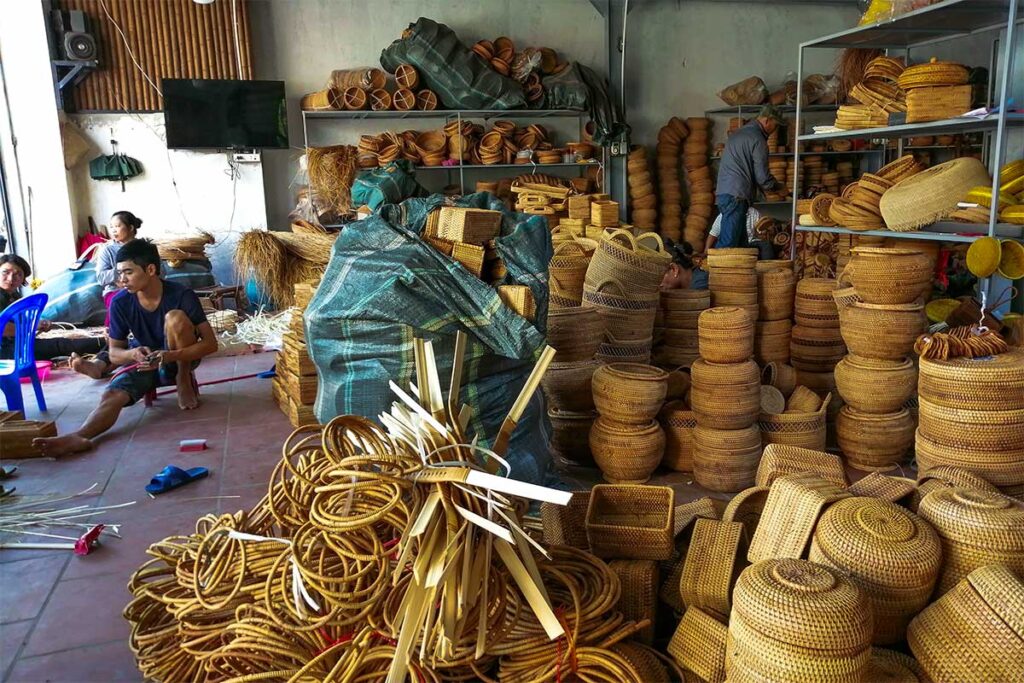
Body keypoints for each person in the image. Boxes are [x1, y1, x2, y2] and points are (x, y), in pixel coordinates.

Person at [33, 239, 217, 456]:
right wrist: (133, 354)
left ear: (150, 269)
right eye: (119, 273)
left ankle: (182, 379)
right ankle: (80, 436)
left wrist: (169, 356)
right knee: (112, 395)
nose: (121, 279)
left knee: (174, 318)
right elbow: (114, 353)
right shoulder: (120, 302)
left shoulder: (181, 295)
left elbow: (210, 343)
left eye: (128, 272)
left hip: (179, 357)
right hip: (145, 362)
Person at [71, 210, 143, 379]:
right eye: (112, 227)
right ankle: (100, 364)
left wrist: (137, 281)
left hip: (143, 292)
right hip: (117, 292)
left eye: (118, 226)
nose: (114, 230)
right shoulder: (108, 250)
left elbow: (158, 273)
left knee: (139, 328)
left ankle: (99, 365)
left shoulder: (144, 248)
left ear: (131, 227)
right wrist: (123, 276)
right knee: (118, 323)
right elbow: (102, 277)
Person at [1, 254, 105, 361]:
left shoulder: (14, 296)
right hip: (6, 350)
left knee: (64, 343)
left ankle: (108, 345)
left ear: (23, 279)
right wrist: (34, 326)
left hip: (19, 344)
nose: (11, 278)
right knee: (62, 345)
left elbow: (21, 322)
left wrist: (40, 323)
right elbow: (2, 328)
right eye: (5, 272)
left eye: (18, 274)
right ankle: (109, 344)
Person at [715, 104, 784, 248]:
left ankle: (732, 270)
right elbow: (762, 178)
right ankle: (715, 270)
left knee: (740, 246)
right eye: (775, 125)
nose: (775, 130)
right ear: (767, 121)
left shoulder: (739, 134)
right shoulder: (758, 139)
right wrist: (778, 187)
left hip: (725, 192)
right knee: (728, 245)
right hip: (736, 196)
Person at [705, 206, 775, 260]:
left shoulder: (754, 212)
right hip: (733, 244)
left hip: (750, 243)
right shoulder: (725, 214)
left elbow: (760, 232)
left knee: (766, 245)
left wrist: (763, 232)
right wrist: (706, 251)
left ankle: (766, 269)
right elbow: (713, 234)